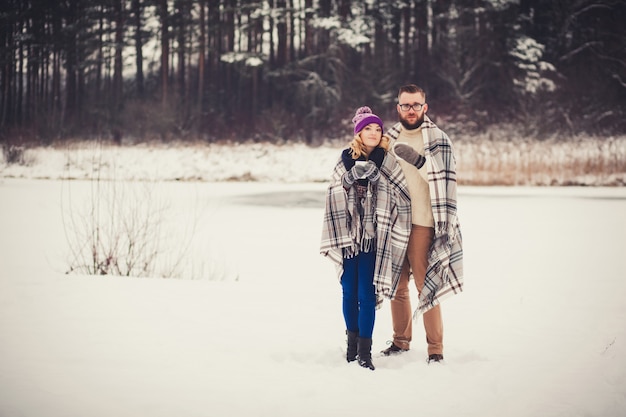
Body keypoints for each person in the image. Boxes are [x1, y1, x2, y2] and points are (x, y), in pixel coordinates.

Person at [320, 106, 411, 371]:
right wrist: (348, 180)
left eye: (377, 129)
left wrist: (378, 182)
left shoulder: (388, 160)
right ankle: (351, 348)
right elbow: (332, 191)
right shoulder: (345, 158)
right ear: (358, 132)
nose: (373, 133)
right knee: (348, 290)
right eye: (367, 129)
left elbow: (402, 197)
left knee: (366, 293)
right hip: (349, 237)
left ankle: (365, 353)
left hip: (376, 237)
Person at [381, 84, 464, 363]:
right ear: (398, 108)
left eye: (416, 105)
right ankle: (400, 341)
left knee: (426, 286)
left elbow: (446, 183)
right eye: (406, 105)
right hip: (394, 223)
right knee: (397, 285)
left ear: (425, 107)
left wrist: (419, 162)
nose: (411, 110)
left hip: (422, 223)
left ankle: (435, 349)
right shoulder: (387, 139)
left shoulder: (438, 139)